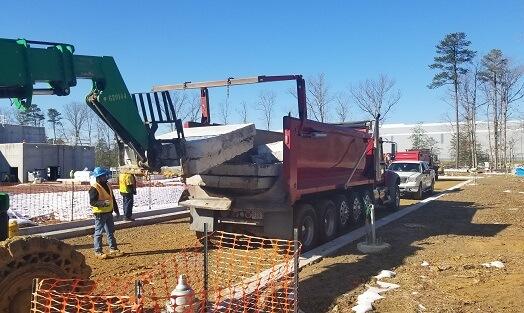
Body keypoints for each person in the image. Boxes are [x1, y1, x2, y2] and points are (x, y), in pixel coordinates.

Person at [89, 167, 123, 259]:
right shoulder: (94, 188)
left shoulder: (107, 185)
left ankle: (113, 248)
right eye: (103, 176)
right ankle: (98, 251)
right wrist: (103, 203)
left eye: (105, 175)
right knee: (99, 233)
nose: (106, 177)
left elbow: (112, 199)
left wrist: (116, 210)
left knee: (110, 232)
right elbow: (92, 202)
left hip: (108, 213)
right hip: (100, 214)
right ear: (98, 177)